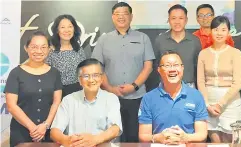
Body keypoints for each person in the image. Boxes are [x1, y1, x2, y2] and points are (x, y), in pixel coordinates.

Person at [91, 2, 155, 142]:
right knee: (112, 136)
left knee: (134, 136)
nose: (121, 17)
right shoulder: (104, 39)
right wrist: (110, 88)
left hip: (137, 96)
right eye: (117, 14)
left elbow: (148, 66)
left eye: (125, 13)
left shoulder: (143, 38)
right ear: (112, 17)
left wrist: (134, 86)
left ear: (131, 17)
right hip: (109, 97)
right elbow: (97, 67)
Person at [5, 31, 62, 147]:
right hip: (21, 131)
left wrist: (45, 126)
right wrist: (33, 128)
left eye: (43, 47)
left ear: (49, 49)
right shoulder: (15, 73)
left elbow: (56, 102)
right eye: (34, 47)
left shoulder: (54, 73)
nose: (39, 51)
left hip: (49, 131)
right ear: (26, 48)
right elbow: (11, 105)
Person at [139, 51, 208, 145]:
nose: (172, 69)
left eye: (176, 65)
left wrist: (186, 137)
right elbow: (143, 135)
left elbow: (202, 134)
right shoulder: (148, 98)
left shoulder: (196, 96)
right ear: (159, 70)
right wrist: (158, 138)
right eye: (167, 65)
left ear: (182, 68)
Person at [50, 58, 123, 147]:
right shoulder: (68, 100)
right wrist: (67, 140)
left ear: (101, 78)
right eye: (86, 76)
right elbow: (54, 131)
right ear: (79, 80)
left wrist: (94, 140)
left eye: (95, 75)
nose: (91, 80)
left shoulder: (111, 99)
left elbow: (115, 129)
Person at [197, 16, 241, 143]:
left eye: (223, 30)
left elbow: (238, 83)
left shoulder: (236, 53)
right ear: (211, 31)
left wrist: (220, 104)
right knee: (215, 142)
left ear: (228, 32)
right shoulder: (203, 53)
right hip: (209, 103)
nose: (219, 33)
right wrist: (207, 105)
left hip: (230, 102)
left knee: (232, 142)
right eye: (216, 29)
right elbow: (200, 81)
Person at [154, 4, 201, 88]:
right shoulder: (160, 40)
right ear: (168, 20)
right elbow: (156, 64)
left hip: (188, 86)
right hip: (165, 86)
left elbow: (198, 66)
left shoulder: (194, 41)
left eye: (181, 18)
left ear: (186, 20)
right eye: (173, 18)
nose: (177, 22)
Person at [47, 14, 86, 97]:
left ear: (74, 29)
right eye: (62, 27)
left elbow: (84, 72)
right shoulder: (50, 50)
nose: (67, 30)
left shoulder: (78, 49)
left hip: (77, 92)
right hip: (56, 93)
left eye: (70, 26)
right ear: (57, 30)